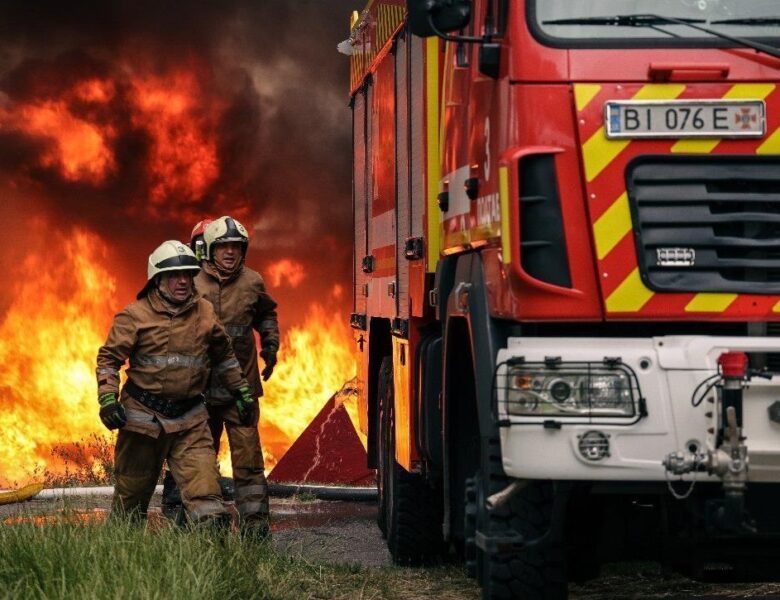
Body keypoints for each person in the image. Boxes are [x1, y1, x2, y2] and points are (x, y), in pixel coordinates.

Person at [95, 240, 255, 525]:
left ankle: (206, 568)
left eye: (188, 274)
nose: (183, 281)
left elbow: (225, 356)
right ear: (157, 279)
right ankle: (119, 563)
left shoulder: (205, 312)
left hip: (190, 420)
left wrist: (241, 390)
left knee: (209, 507)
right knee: (129, 508)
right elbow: (109, 360)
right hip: (142, 421)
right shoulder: (134, 316)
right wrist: (108, 398)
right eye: (174, 275)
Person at [197, 215, 280, 537]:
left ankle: (255, 528)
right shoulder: (191, 282)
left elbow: (266, 314)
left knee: (248, 463)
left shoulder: (253, 282)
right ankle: (207, 527)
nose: (230, 252)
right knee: (202, 463)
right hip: (200, 392)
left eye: (236, 247)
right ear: (210, 250)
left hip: (241, 391)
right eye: (223, 247)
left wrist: (270, 344)